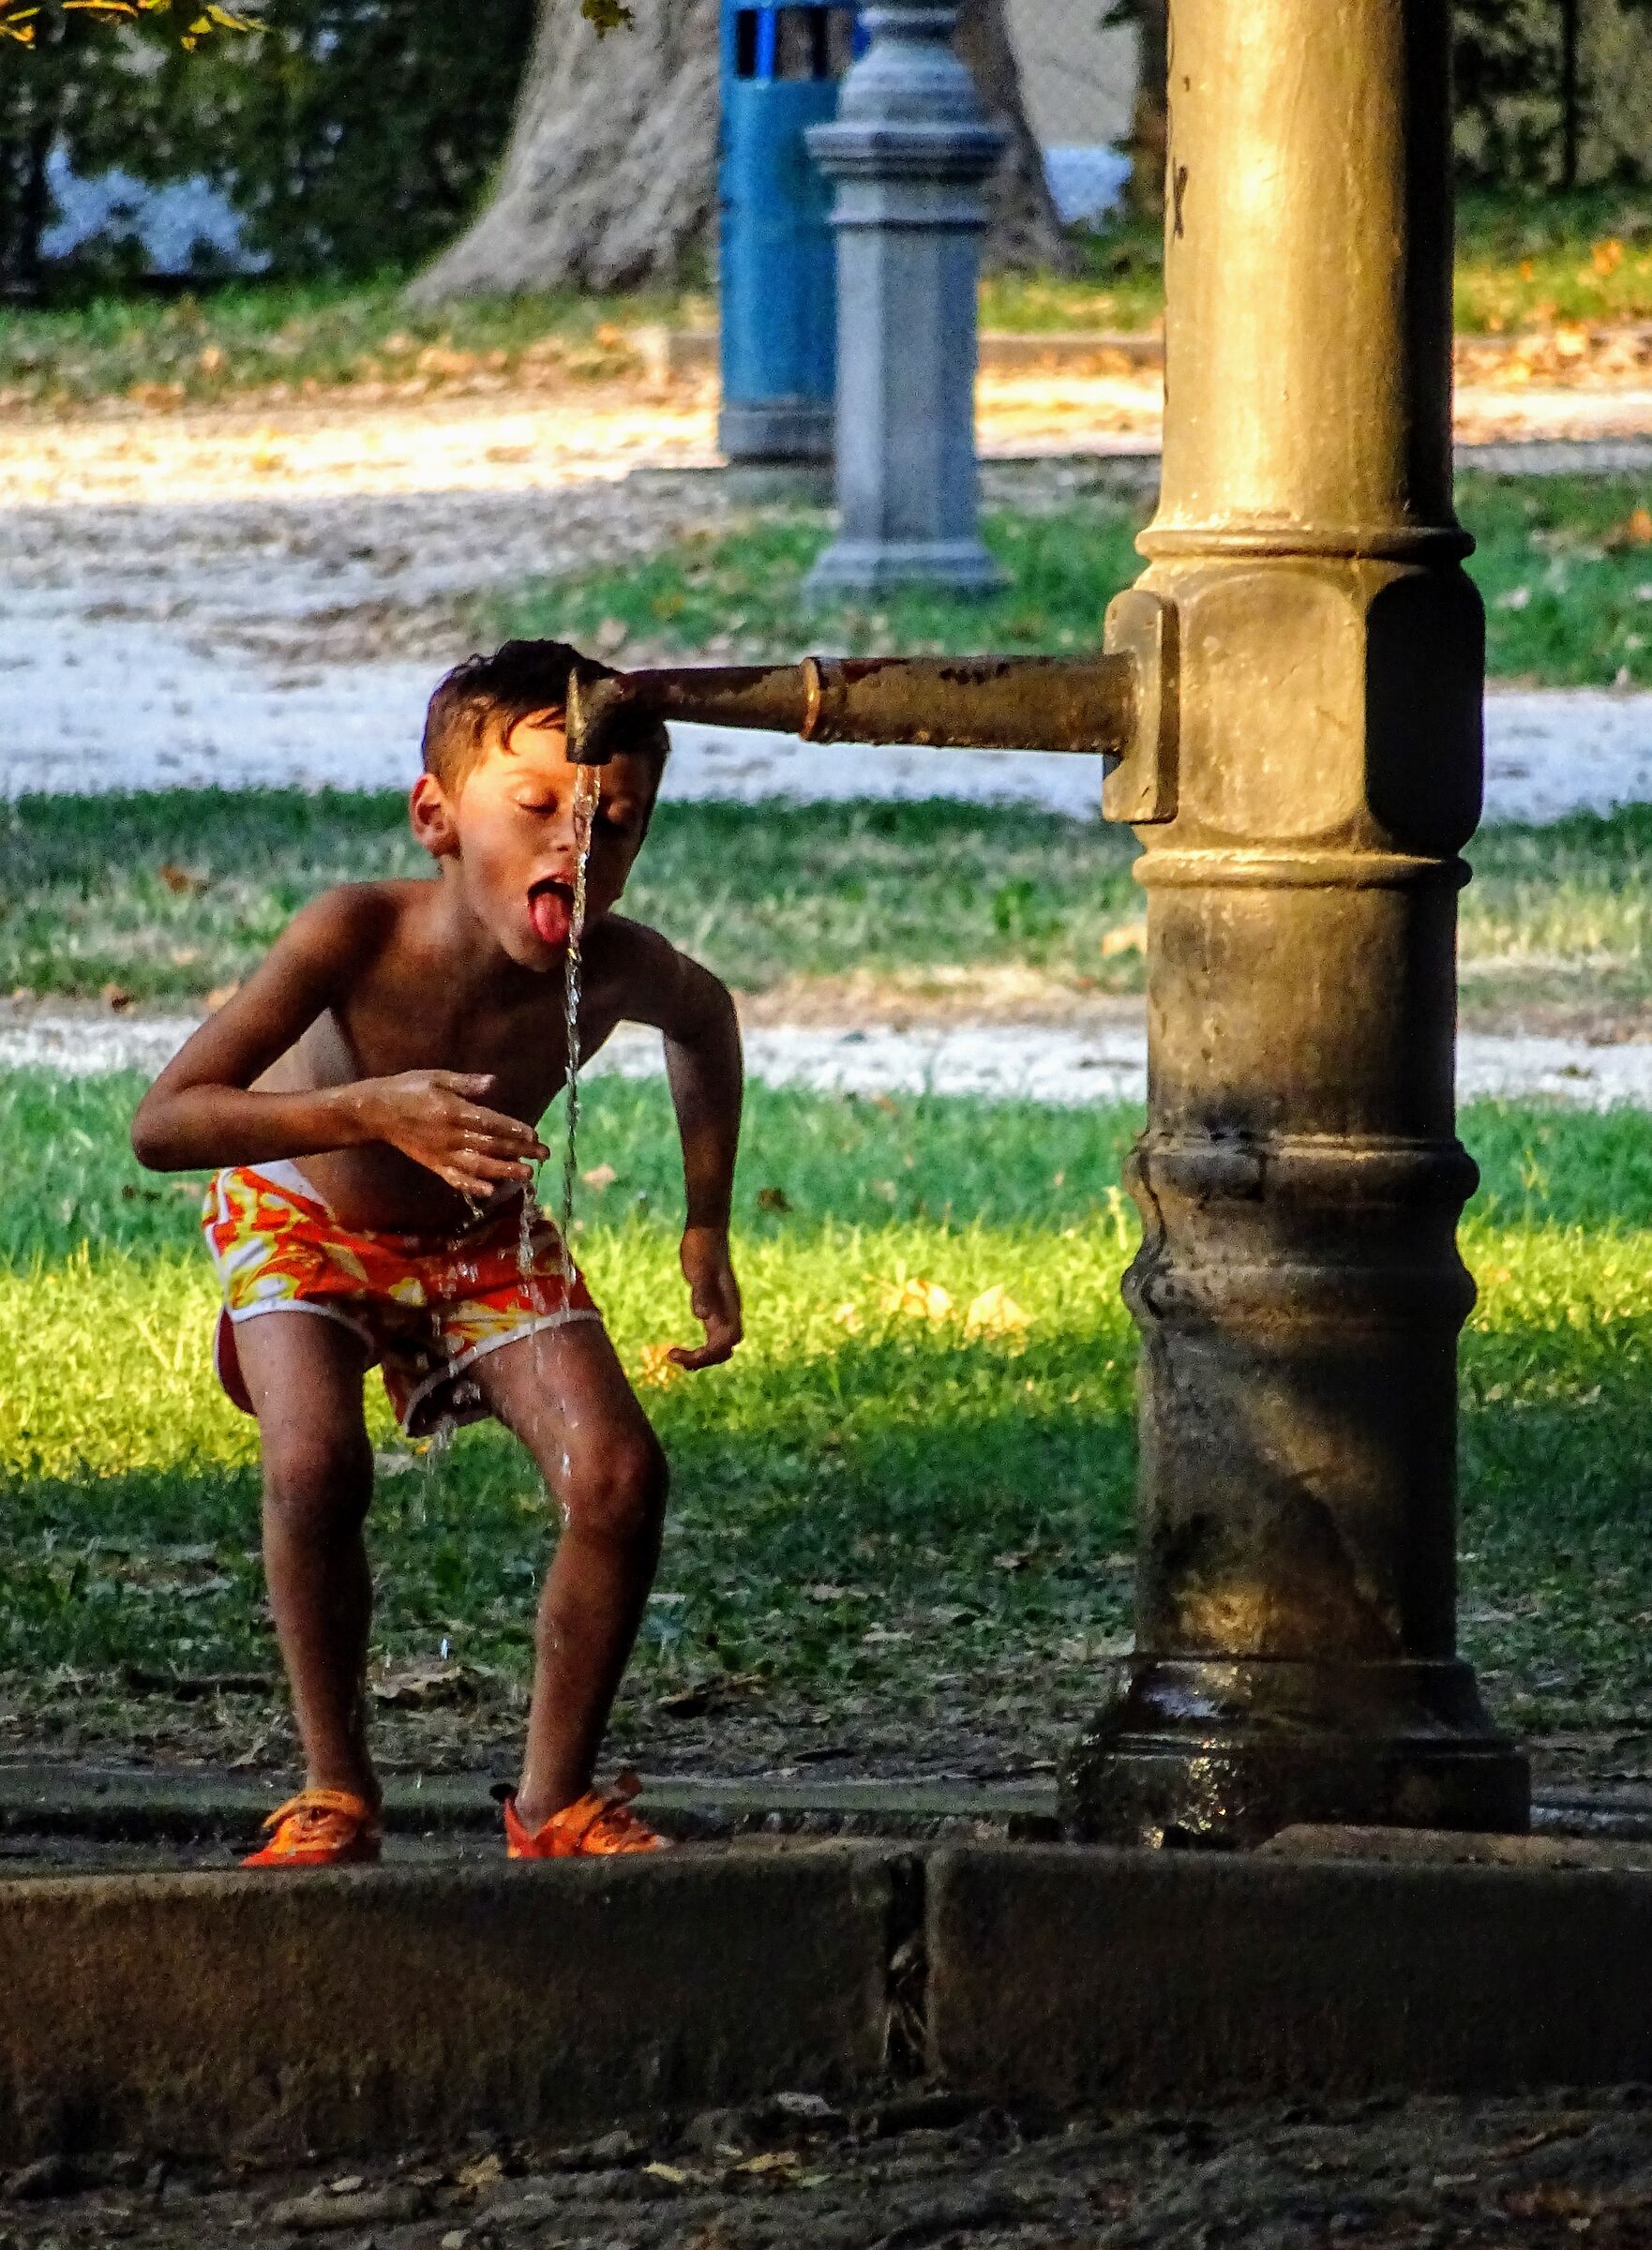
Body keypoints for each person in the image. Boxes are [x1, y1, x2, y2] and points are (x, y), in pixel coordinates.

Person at [131, 639, 743, 1868]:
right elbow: (168, 1123)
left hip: (479, 1234)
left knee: (618, 1476)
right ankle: (335, 1787)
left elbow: (707, 1022)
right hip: (301, 1217)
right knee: (315, 1465)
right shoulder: (351, 937)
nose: (578, 850)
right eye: (538, 811)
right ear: (436, 818)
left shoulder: (616, 966)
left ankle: (553, 1799)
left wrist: (704, 1220)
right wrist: (364, 1110)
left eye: (616, 826)